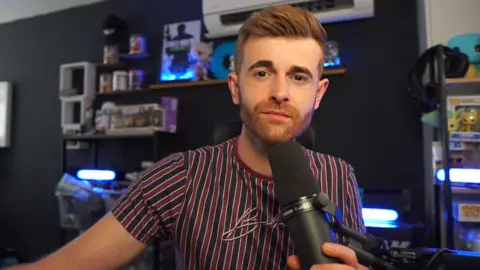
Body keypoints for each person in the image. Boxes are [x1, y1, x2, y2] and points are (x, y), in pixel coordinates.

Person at [9, 5, 367, 270]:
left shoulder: (339, 176)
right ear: (235, 87)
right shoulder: (178, 177)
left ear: (318, 94)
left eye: (299, 77)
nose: (280, 92)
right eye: (262, 72)